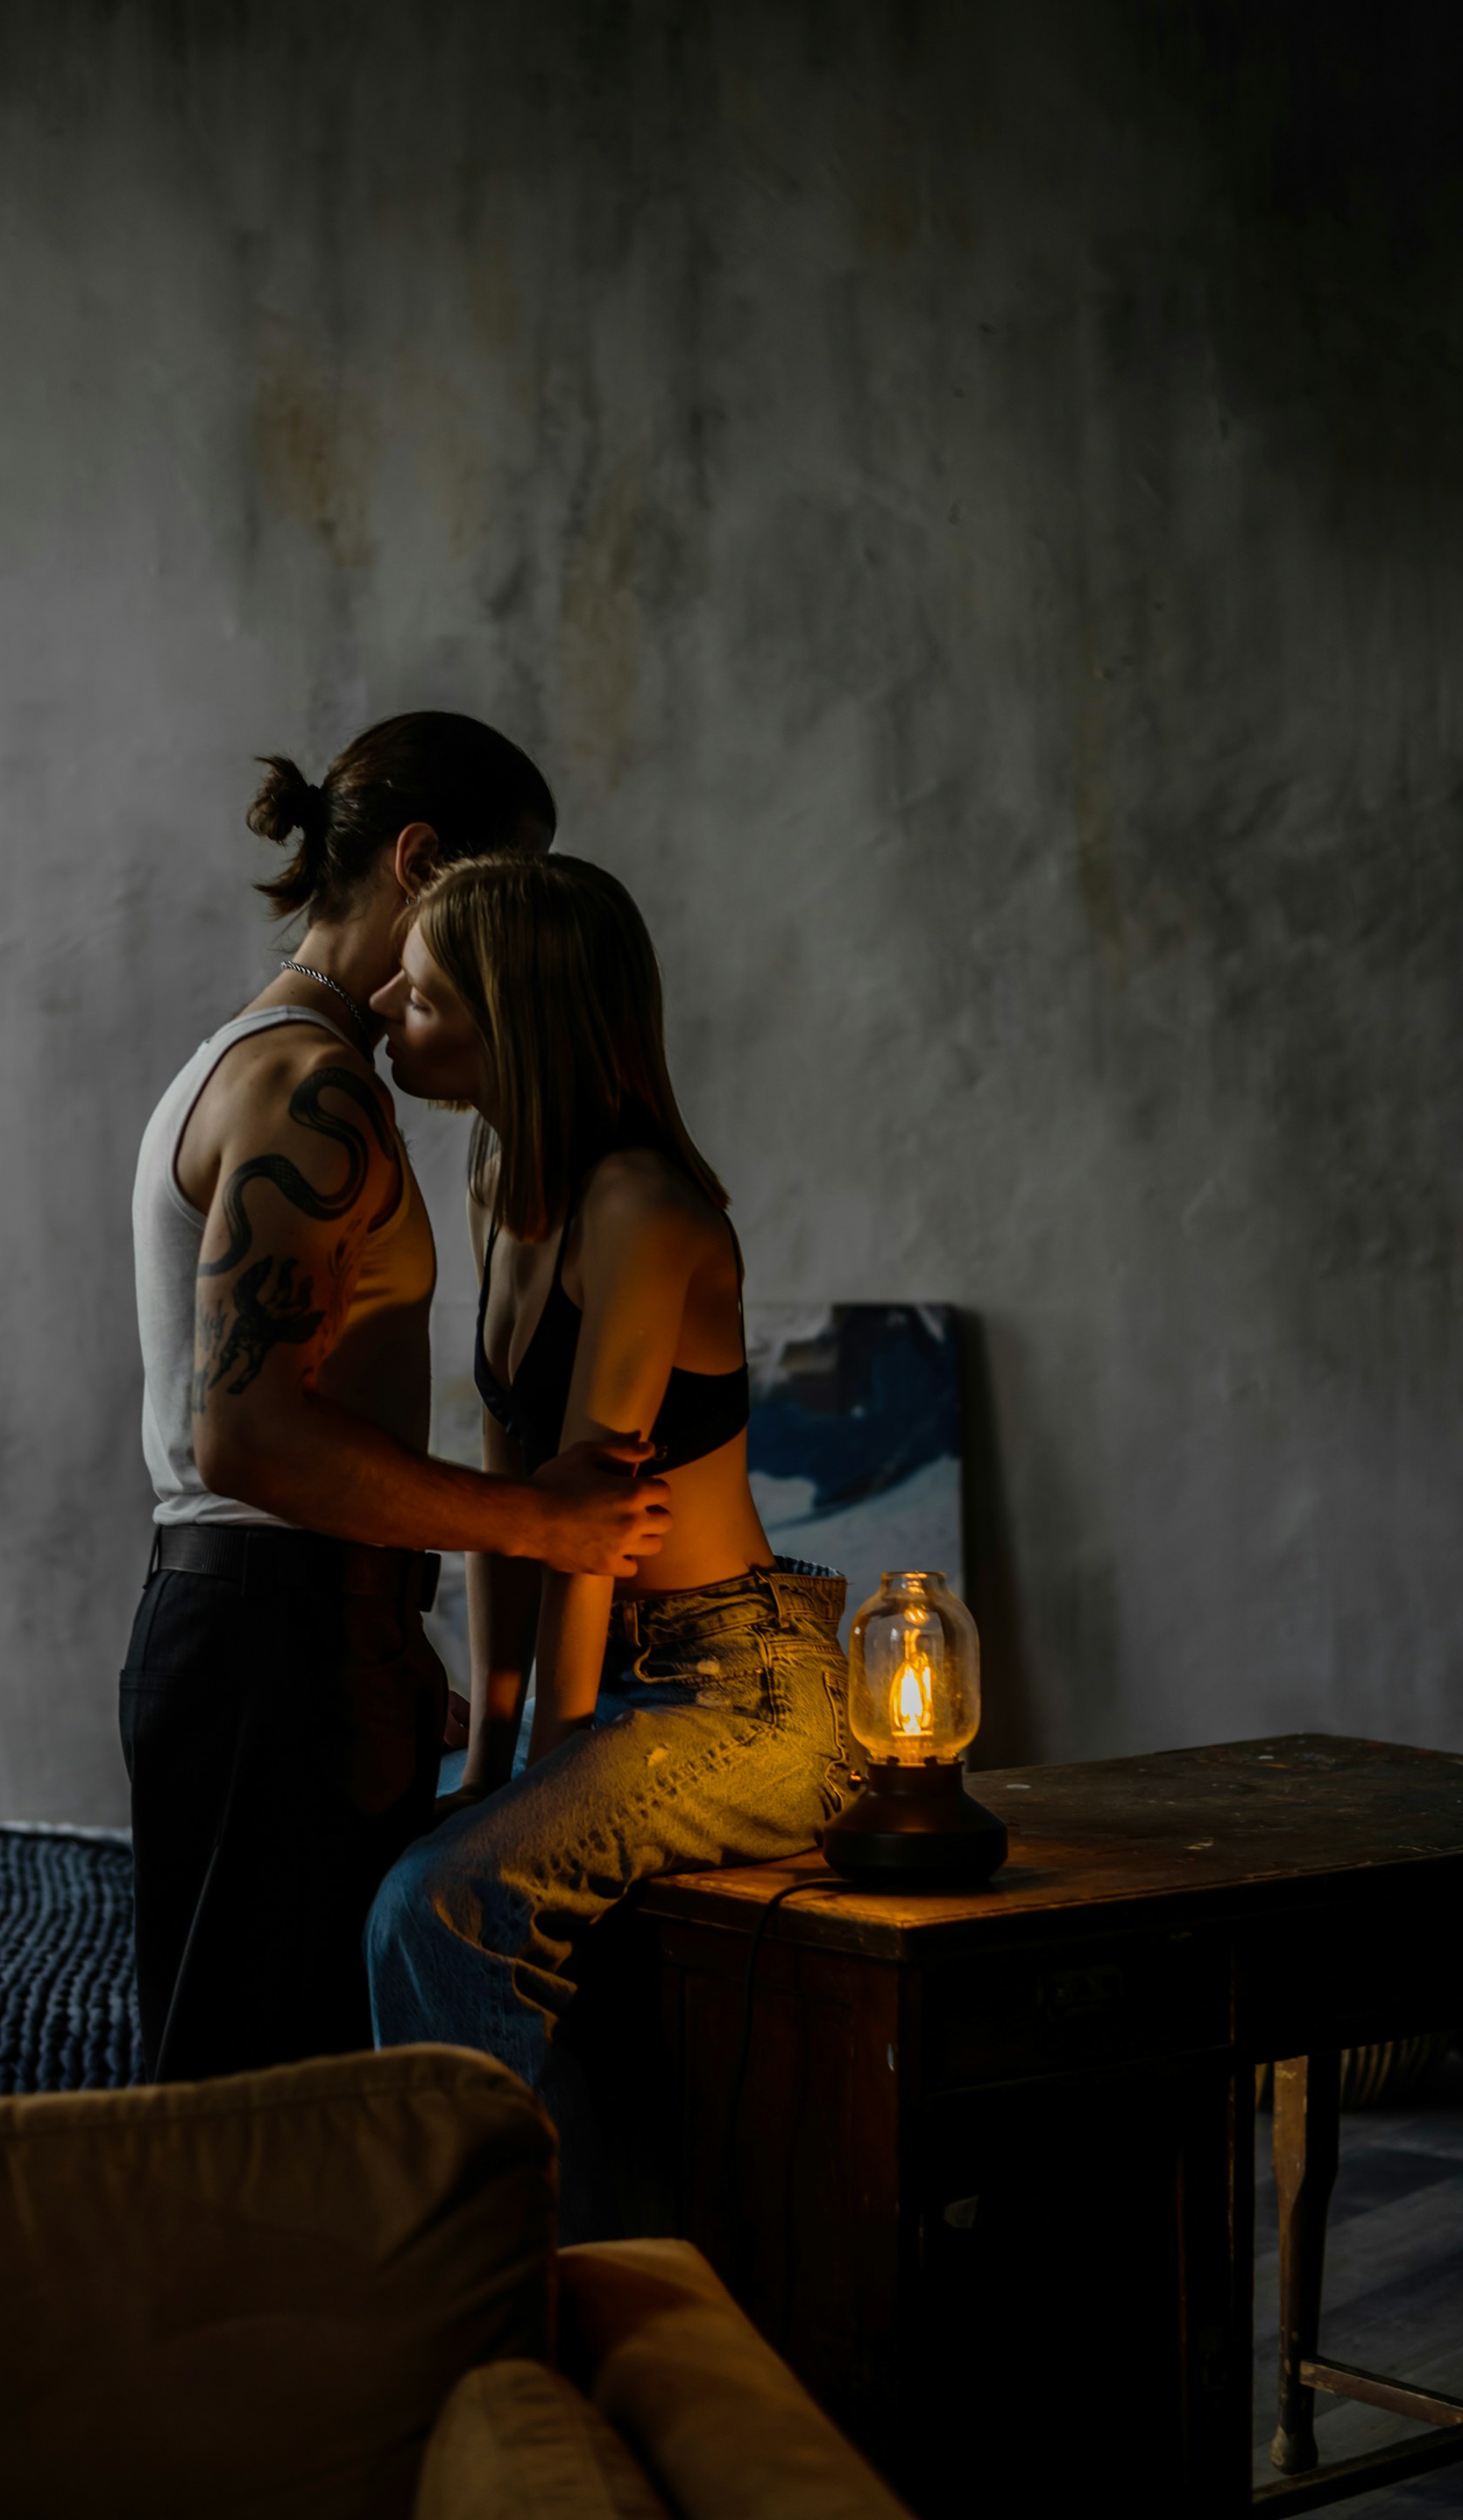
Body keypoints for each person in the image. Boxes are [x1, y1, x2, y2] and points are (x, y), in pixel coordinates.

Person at [121, 716, 671, 2085]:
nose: (512, 929)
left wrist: (392, 1653)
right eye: (501, 884)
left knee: (292, 2103)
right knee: (269, 2123)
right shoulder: (311, 1090)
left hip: (289, 1643)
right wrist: (543, 1522)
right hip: (276, 1652)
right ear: (421, 863)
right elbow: (247, 1436)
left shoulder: (271, 1063)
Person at [363, 852, 855, 2230]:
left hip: (739, 1692)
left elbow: (595, 1524)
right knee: (403, 1852)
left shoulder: (639, 1207)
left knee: (433, 1906)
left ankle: (521, 2291)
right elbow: (512, 1492)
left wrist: (547, 1756)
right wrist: (487, 1757)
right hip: (626, 1691)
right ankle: (520, 2250)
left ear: (516, 1025)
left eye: (425, 993)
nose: (386, 1003)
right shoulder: (501, 1178)